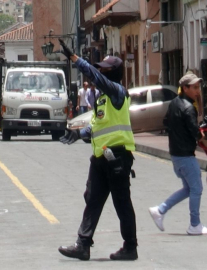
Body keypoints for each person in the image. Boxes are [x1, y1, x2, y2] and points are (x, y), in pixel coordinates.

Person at [57, 40, 138, 261]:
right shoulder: (103, 99)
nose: (100, 72)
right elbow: (97, 126)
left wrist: (75, 59)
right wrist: (78, 134)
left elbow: (96, 77)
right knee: (92, 199)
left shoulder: (117, 92)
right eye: (99, 68)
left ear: (113, 73)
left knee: (122, 202)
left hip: (118, 157)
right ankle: (83, 244)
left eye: (104, 69)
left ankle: (130, 247)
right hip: (101, 157)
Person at [148, 73, 207, 235]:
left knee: (188, 189)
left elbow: (166, 122)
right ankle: (194, 224)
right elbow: (194, 131)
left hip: (176, 154)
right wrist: (201, 136)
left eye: (199, 87)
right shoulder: (189, 107)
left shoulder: (175, 103)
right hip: (185, 155)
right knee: (196, 189)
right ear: (185, 88)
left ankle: (160, 210)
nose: (198, 91)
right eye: (195, 88)